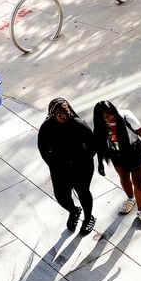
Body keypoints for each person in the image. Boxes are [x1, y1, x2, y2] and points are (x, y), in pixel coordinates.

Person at [92, 100, 141, 225]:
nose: (110, 117)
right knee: (123, 178)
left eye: (111, 113)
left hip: (134, 151)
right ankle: (130, 199)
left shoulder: (126, 117)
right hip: (116, 153)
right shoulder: (101, 125)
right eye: (106, 116)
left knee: (138, 183)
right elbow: (100, 143)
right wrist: (101, 163)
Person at [38, 98, 98, 235]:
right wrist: (54, 164)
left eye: (66, 112)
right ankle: (74, 210)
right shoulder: (46, 128)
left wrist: (83, 160)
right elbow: (43, 149)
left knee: (83, 193)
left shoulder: (79, 125)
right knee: (61, 196)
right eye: (59, 113)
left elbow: (93, 146)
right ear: (53, 114)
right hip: (59, 169)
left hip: (81, 167)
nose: (64, 115)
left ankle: (89, 218)